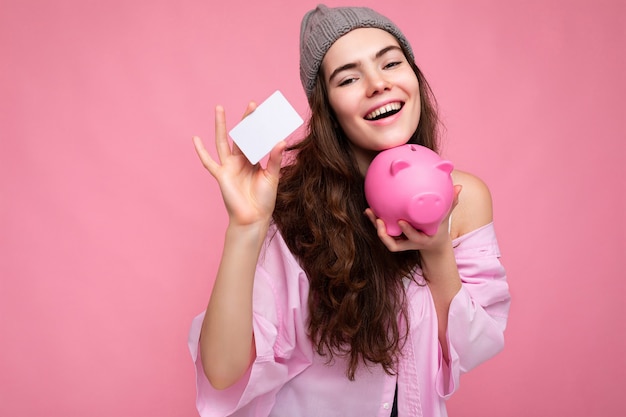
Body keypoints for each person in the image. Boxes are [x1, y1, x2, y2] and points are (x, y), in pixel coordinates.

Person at [189, 4, 511, 417]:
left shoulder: (464, 197)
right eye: (349, 78)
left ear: (413, 77)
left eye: (391, 63)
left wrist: (436, 251)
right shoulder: (292, 207)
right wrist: (246, 226)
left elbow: (475, 347)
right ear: (329, 111)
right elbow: (222, 372)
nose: (377, 84)